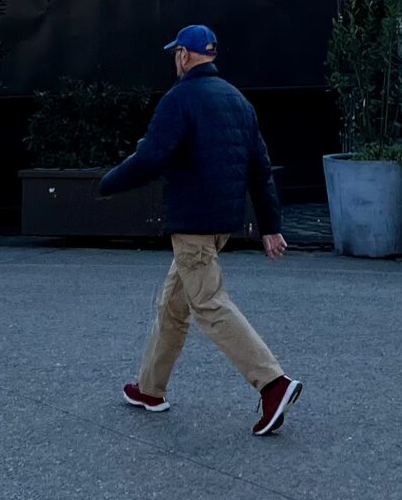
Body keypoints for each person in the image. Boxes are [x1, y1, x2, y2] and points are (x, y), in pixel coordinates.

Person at [100, 24, 301, 435]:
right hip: (220, 223)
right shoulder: (238, 101)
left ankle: (272, 383)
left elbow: (152, 156)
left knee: (208, 303)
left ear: (185, 56)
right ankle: (150, 390)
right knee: (173, 305)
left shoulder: (180, 99)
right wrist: (270, 226)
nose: (175, 58)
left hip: (192, 222)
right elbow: (260, 171)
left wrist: (107, 184)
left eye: (176, 52)